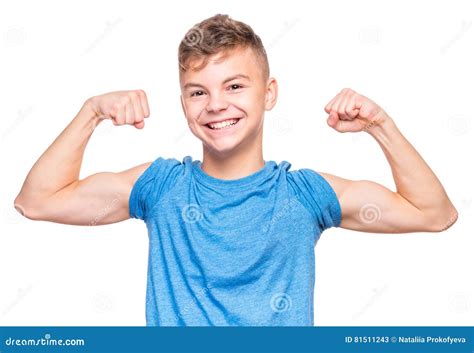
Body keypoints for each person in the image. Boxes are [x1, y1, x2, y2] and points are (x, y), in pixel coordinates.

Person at [14, 14, 457, 326]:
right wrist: (91, 113)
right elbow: (36, 201)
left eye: (235, 86)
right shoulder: (160, 187)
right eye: (197, 92)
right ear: (183, 102)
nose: (216, 105)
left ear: (269, 93)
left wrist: (381, 126)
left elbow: (434, 214)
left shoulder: (304, 194)